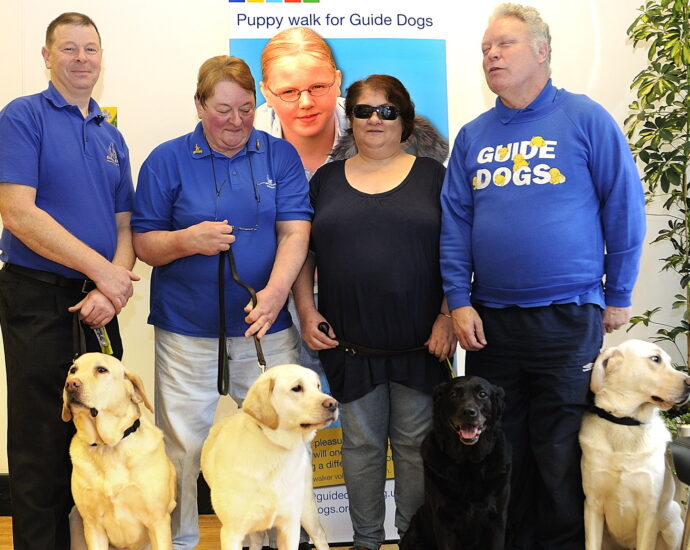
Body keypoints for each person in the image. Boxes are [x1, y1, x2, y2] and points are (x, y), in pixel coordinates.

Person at [440, 4, 646, 549]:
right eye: (486, 48)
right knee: (497, 448)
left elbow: (624, 206)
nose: (491, 55)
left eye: (504, 44)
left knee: (556, 450)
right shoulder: (473, 135)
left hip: (567, 314)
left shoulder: (585, 118)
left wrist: (619, 293)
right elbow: (456, 225)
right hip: (491, 322)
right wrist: (458, 300)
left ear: (542, 50)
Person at [131, 55, 312, 550]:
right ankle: (183, 540)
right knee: (183, 447)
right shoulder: (166, 160)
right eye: (223, 110)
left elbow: (296, 231)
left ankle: (279, 540)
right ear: (198, 105)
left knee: (280, 438)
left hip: (265, 332)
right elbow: (144, 243)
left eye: (247, 109)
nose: (236, 122)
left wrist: (276, 296)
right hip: (187, 331)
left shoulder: (280, 156)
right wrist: (187, 240)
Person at [294, 74, 456, 550]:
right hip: (350, 345)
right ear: (351, 119)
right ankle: (365, 541)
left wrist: (447, 315)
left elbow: (458, 250)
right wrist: (306, 310)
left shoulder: (435, 178)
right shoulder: (324, 180)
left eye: (386, 111)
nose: (374, 120)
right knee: (360, 448)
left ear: (404, 120)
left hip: (422, 344)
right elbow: (303, 253)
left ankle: (413, 540)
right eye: (364, 110)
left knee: (413, 449)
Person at [0, 12, 137, 550]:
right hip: (38, 297)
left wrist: (111, 284)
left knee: (104, 434)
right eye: (70, 49)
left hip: (99, 305)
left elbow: (125, 224)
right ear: (47, 55)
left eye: (91, 49)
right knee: (40, 441)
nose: (82, 59)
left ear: (102, 57)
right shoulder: (22, 117)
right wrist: (101, 272)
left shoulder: (112, 135)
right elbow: (18, 213)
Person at [254, 26, 347, 180]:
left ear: (337, 82)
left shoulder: (372, 129)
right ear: (266, 94)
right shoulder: (241, 142)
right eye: (288, 92)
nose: (306, 103)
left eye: (318, 87)